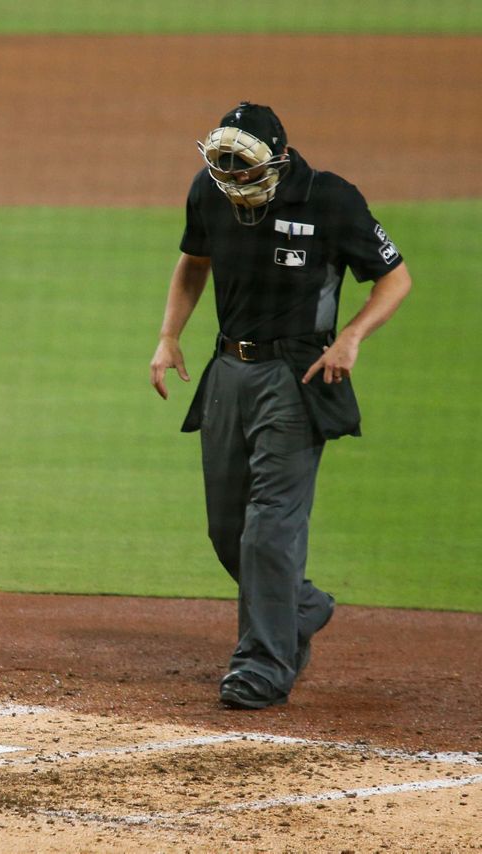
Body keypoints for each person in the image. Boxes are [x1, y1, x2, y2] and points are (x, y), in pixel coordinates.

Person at [149, 102, 412, 709]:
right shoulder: (209, 191)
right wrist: (168, 336)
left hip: (298, 376)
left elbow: (394, 277)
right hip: (228, 374)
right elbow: (194, 261)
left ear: (278, 159)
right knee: (228, 530)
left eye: (245, 170)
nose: (234, 181)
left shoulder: (329, 199)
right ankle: (302, 604)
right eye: (225, 170)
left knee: (270, 525)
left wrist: (350, 337)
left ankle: (262, 666)